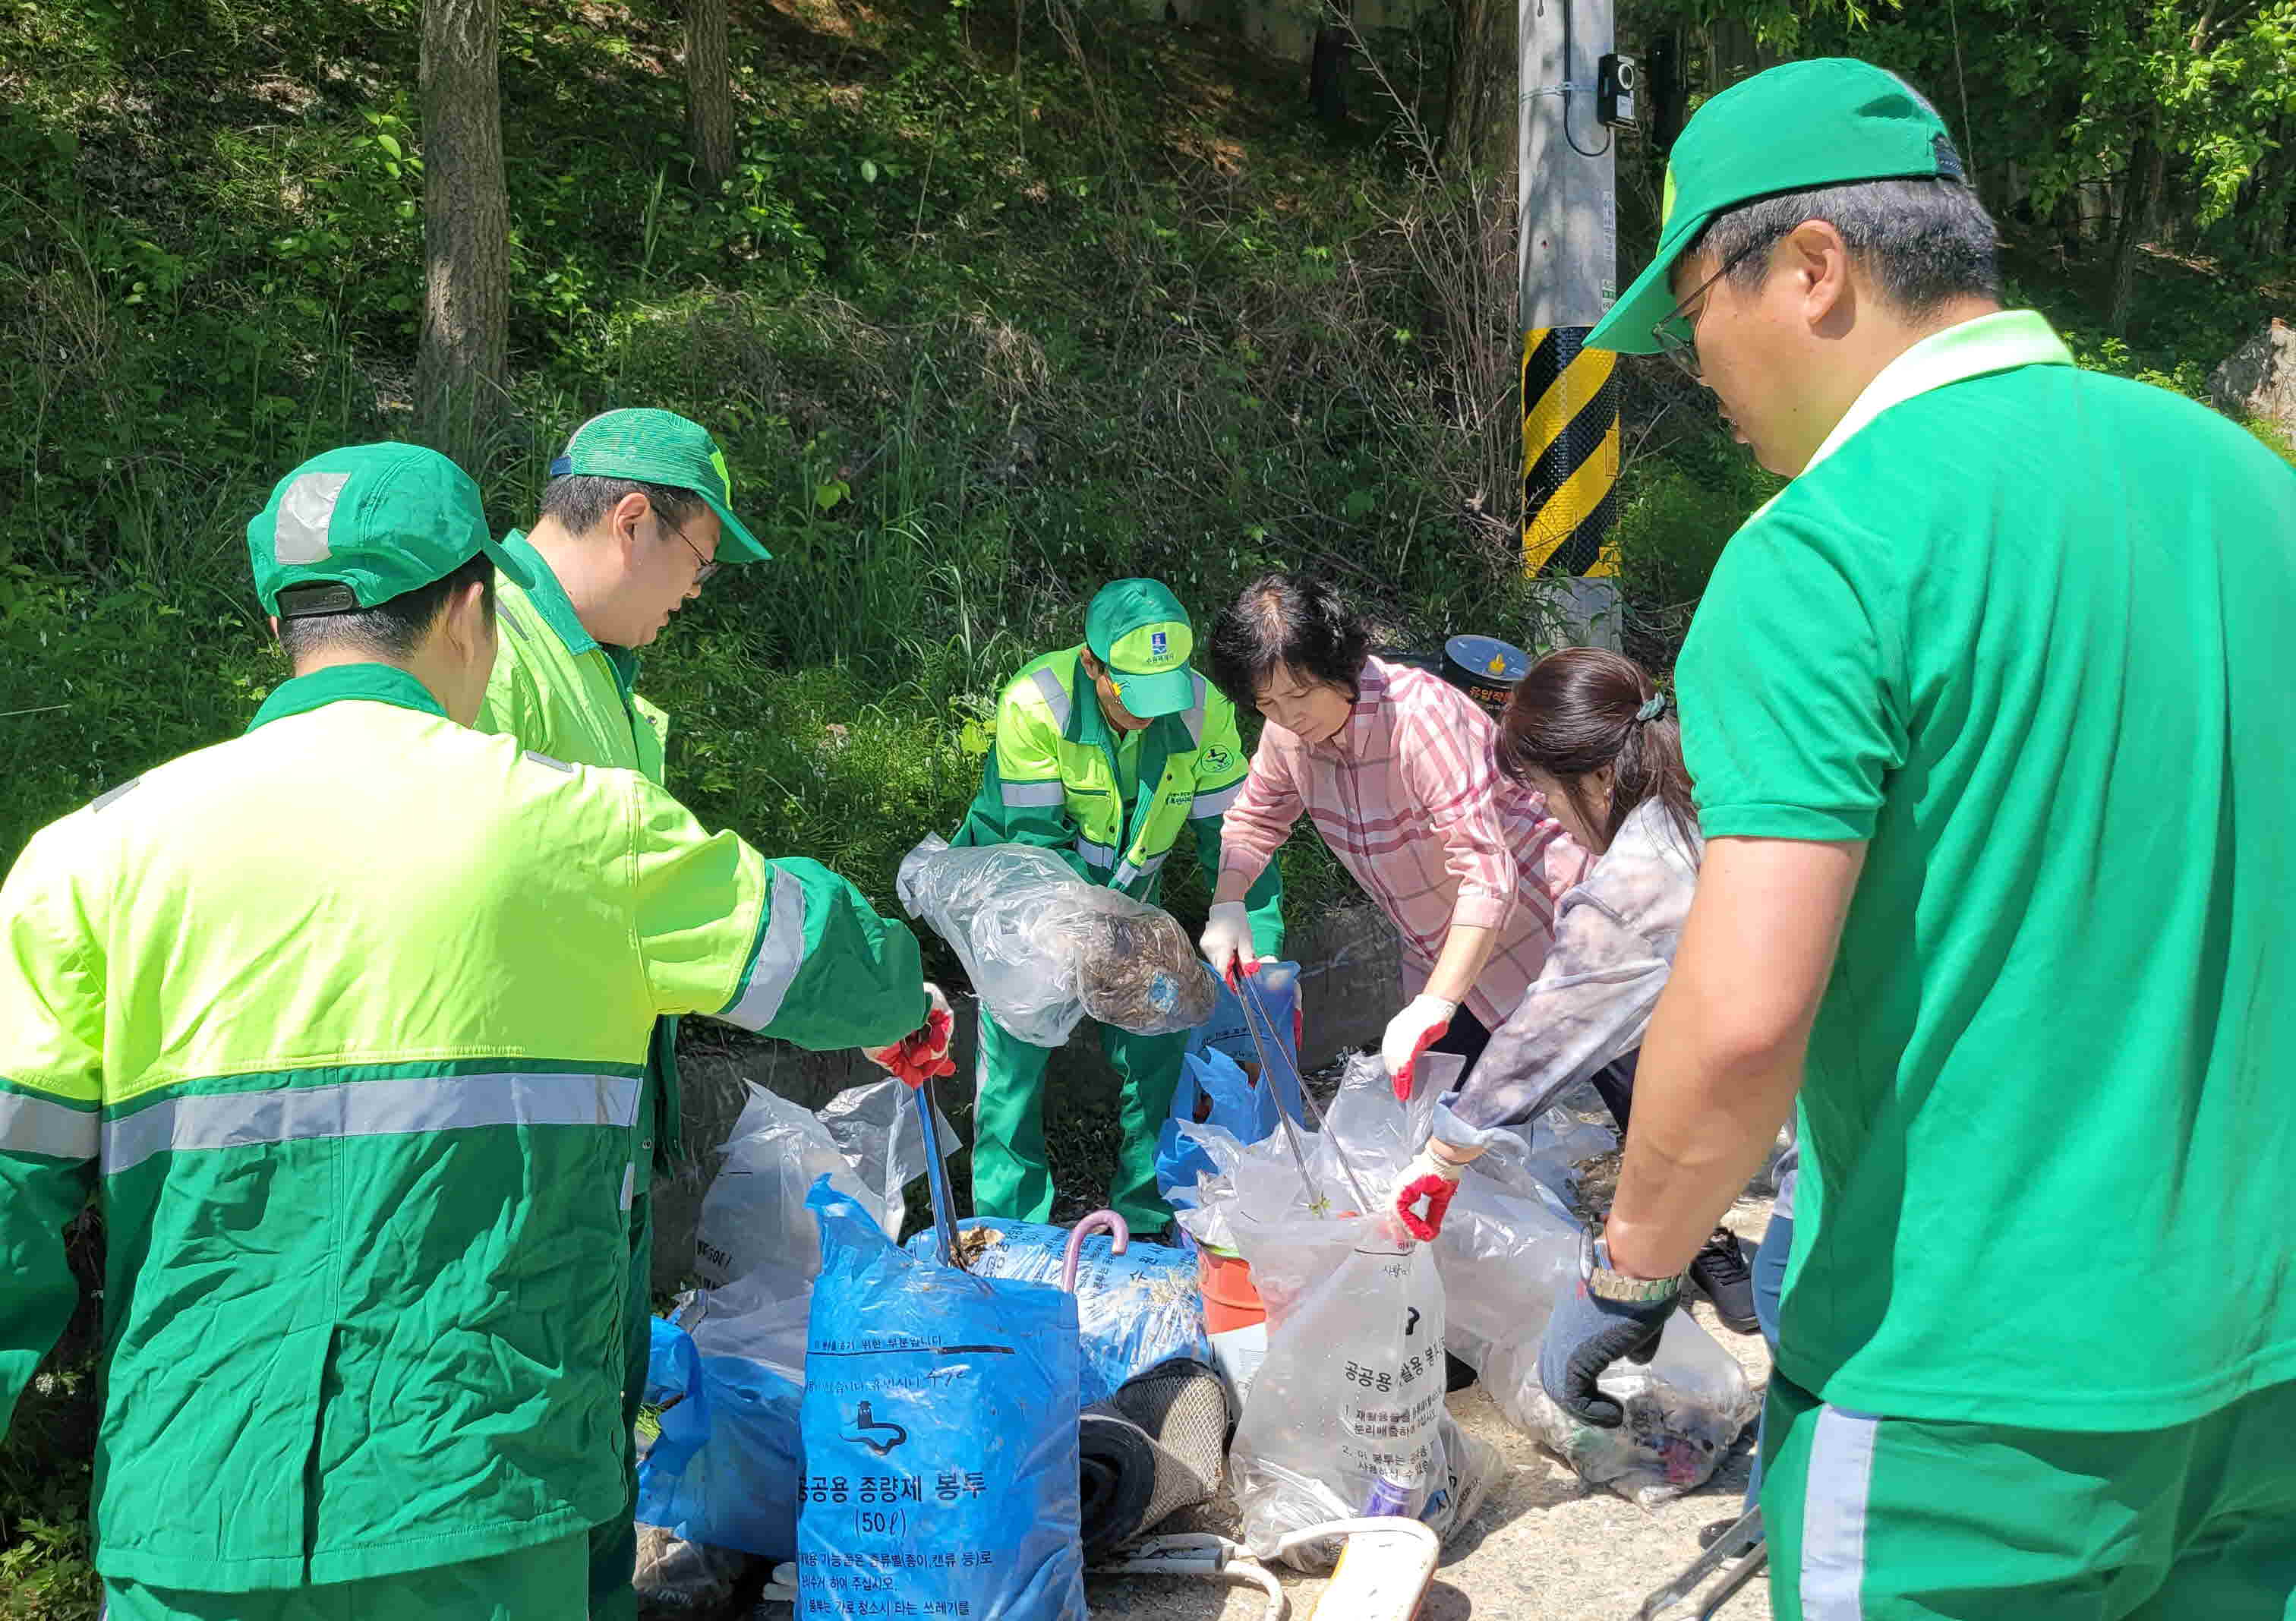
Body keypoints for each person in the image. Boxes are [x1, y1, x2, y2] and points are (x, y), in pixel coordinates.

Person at [1534, 58, 2296, 1619]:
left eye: (1692, 318)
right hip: (2265, 1358)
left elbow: (1744, 1019)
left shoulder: (1825, 548)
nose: (1694, 367)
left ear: (1813, 270)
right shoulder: (2247, 485)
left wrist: (1629, 1264)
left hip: (1977, 1389)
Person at [0, 443, 948, 1620]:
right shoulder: (579, 822)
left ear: (284, 629)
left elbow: (7, 1208)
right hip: (483, 1494)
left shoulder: (87, 858)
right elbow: (822, 956)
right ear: (470, 608)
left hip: (193, 1511)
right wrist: (912, 996)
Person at [469, 406, 777, 1619]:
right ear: (635, 520)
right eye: (702, 561)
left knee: (597, 1425)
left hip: (587, 1116)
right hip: (516, 1129)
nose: (700, 591)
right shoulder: (489, 643)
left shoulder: (585, 659)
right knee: (531, 1454)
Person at [1385, 647, 1758, 1332]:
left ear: (1601, 773)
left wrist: (1441, 1157)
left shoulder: (1637, 878)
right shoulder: (1718, 770)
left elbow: (1546, 1033)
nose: (1551, 812)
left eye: (1549, 791)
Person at [949, 577, 1283, 1232]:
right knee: (1014, 1067)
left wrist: (1254, 931)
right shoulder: (1034, 705)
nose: (1149, 714)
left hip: (1129, 907)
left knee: (1162, 1041)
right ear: (1091, 663)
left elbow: (1239, 834)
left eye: (1163, 692)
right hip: (1025, 905)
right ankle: (1010, 1231)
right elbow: (1036, 850)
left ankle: (1148, 1215)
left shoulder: (1198, 708)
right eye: (1133, 693)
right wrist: (1117, 938)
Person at [1200, 574, 1585, 1098]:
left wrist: (1436, 1003)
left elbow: (1488, 875)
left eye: (1301, 692)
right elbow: (1255, 819)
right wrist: (1229, 903)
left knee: (1648, 1106)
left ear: (1341, 664)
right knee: (1447, 1125)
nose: (1289, 716)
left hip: (1550, 930)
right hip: (1443, 950)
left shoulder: (1418, 717)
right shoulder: (1287, 736)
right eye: (1268, 703)